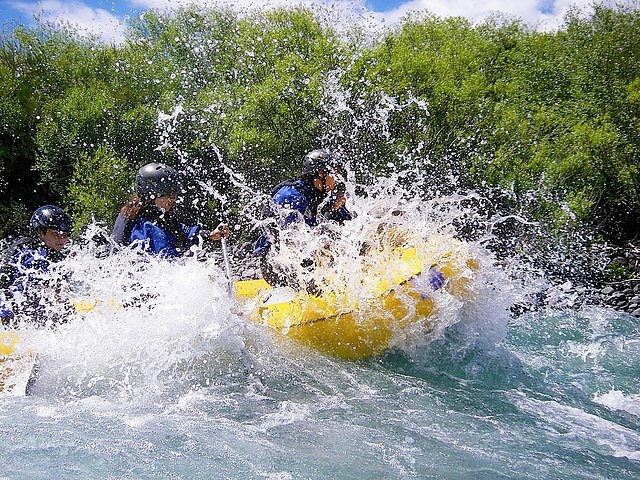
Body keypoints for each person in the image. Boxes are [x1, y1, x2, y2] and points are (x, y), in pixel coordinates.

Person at [253, 149, 352, 287]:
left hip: (301, 259)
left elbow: (352, 227)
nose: (337, 179)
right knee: (325, 235)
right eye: (334, 173)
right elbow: (292, 242)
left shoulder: (319, 195)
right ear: (320, 173)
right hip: (275, 266)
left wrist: (334, 209)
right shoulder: (291, 196)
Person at [112, 162, 229, 257]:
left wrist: (211, 234)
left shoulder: (154, 216)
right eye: (168, 194)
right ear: (151, 193)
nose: (173, 198)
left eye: (174, 193)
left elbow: (182, 230)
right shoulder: (143, 225)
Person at [0, 205, 74, 326]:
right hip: (12, 310)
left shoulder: (57, 256)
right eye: (56, 234)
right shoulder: (25, 251)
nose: (62, 239)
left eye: (65, 235)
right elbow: (7, 284)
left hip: (34, 310)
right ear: (39, 232)